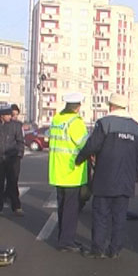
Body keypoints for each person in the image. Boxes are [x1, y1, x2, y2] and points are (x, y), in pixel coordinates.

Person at [76, 93, 138, 259]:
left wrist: (79, 160)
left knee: (100, 216)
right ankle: (115, 250)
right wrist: (134, 176)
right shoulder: (136, 128)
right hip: (125, 182)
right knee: (119, 217)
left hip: (104, 180)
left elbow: (92, 146)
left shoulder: (104, 123)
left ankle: (97, 249)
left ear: (111, 106)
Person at [48, 93, 88, 252]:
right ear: (77, 107)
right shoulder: (75, 122)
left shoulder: (57, 119)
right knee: (71, 209)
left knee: (62, 206)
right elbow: (84, 145)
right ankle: (67, 241)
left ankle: (63, 237)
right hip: (72, 172)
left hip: (57, 171)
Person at [0, 106, 25, 216]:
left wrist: (19, 154)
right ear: (2, 116)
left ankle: (16, 207)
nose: (10, 117)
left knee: (12, 182)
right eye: (8, 115)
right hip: (1, 159)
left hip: (12, 159)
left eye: (11, 115)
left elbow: (20, 141)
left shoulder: (16, 126)